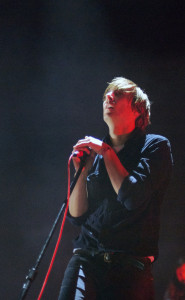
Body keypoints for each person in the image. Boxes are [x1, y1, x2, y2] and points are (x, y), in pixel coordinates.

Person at [58, 77, 173, 300]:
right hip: (86, 260)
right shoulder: (95, 153)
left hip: (131, 265)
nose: (109, 97)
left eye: (118, 94)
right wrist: (81, 173)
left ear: (138, 110)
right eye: (106, 95)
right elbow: (76, 214)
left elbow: (132, 197)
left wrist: (107, 153)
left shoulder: (155, 146)